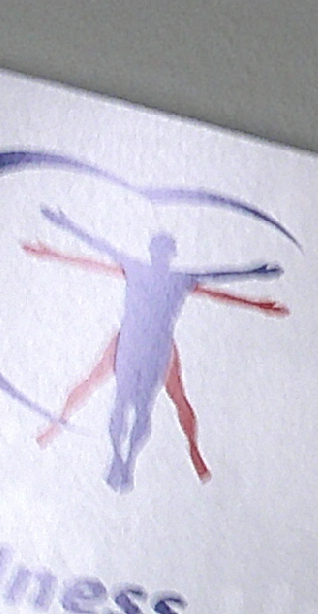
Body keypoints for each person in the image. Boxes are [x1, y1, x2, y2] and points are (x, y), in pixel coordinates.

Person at [25, 210, 288, 491]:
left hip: (157, 345)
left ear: (169, 254)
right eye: (158, 250)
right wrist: (60, 237)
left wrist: (255, 287)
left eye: (165, 251)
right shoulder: (144, 270)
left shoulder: (176, 279)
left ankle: (172, 451)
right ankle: (69, 431)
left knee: (155, 402)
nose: (161, 255)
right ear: (153, 251)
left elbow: (216, 284)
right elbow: (98, 252)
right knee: (109, 391)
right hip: (129, 340)